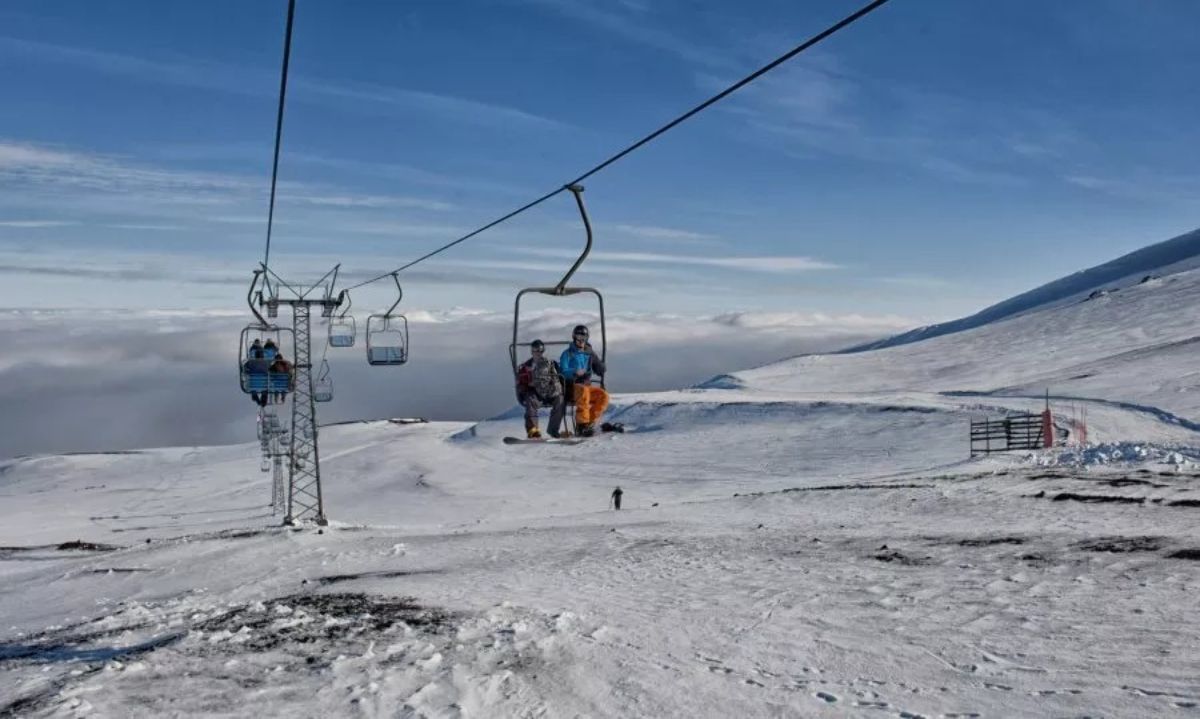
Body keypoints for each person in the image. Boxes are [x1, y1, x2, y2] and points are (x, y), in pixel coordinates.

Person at [559, 324, 607, 436]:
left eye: (583, 338)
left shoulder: (589, 353)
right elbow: (563, 371)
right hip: (571, 386)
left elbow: (600, 370)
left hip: (586, 386)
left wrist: (598, 363)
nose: (580, 340)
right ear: (574, 337)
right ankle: (582, 425)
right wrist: (574, 371)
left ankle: (589, 422)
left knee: (603, 396)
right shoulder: (567, 354)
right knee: (584, 391)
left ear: (587, 338)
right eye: (578, 337)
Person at [516, 339, 566, 439]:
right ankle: (533, 430)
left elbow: (557, 379)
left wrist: (552, 388)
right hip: (536, 395)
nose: (538, 353)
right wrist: (529, 385)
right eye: (535, 350)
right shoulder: (526, 367)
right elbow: (520, 384)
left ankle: (553, 429)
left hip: (549, 393)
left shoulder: (550, 364)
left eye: (540, 351)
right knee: (530, 400)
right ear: (532, 351)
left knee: (560, 400)